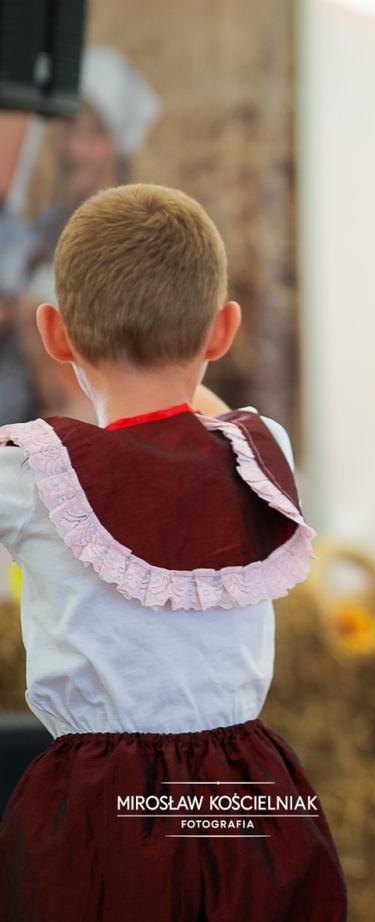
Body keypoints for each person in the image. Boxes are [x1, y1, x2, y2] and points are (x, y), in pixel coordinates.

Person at [0, 184, 346, 920]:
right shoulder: (263, 451)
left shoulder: (30, 476)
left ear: (55, 335)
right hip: (244, 793)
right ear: (223, 333)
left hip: (101, 805)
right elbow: (199, 420)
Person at [0, 46, 160, 425]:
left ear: (117, 145)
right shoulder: (45, 225)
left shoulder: (133, 239)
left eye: (92, 134)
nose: (74, 149)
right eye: (69, 130)